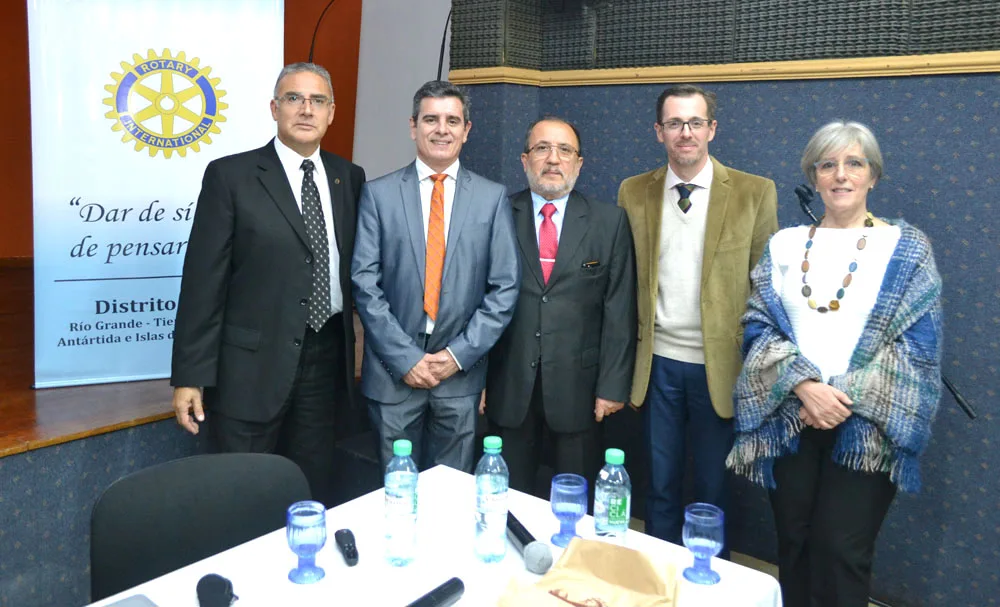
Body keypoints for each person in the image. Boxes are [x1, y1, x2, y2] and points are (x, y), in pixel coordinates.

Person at [727, 120, 943, 607]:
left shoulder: (907, 250)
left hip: (868, 425)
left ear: (873, 176)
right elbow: (759, 326)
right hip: (792, 416)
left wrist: (840, 398)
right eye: (827, 165)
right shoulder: (785, 244)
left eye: (854, 163)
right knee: (796, 542)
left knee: (840, 549)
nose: (840, 175)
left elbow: (916, 352)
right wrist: (805, 388)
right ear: (814, 175)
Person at [170, 63, 366, 506]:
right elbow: (203, 283)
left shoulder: (348, 177)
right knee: (241, 495)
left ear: (332, 113)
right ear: (274, 108)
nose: (306, 109)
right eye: (294, 98)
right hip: (249, 370)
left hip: (325, 361)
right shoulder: (230, 176)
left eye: (317, 101)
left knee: (311, 490)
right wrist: (189, 377)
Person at [617, 84, 778, 552]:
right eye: (674, 123)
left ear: (711, 129)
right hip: (657, 366)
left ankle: (711, 585)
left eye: (694, 122)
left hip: (719, 367)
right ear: (658, 132)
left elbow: (766, 291)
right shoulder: (633, 192)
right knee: (659, 487)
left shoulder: (753, 192)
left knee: (713, 490)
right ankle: (659, 578)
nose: (684, 133)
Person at [351, 81, 519, 473]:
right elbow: (364, 282)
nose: (441, 129)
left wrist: (457, 356)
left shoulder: (492, 198)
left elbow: (504, 287)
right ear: (413, 127)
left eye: (452, 120)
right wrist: (406, 358)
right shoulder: (379, 194)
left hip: (459, 377)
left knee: (450, 493)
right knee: (396, 490)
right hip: (394, 375)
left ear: (466, 130)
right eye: (431, 119)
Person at [483, 117, 636, 495]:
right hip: (509, 384)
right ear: (524, 159)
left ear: (579, 163)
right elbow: (477, 301)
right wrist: (477, 380)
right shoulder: (497, 214)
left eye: (564, 150)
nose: (553, 159)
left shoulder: (609, 221)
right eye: (542, 149)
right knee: (508, 497)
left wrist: (612, 387)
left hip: (580, 391)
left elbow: (620, 309)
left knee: (574, 500)